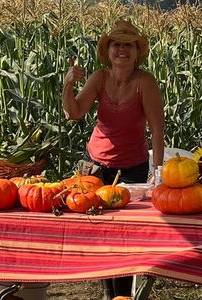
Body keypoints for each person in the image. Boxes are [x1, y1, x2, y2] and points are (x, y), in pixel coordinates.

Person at [61, 19, 165, 299]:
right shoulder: (99, 78)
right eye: (117, 44)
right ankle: (109, 293)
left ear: (136, 52)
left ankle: (123, 295)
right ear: (107, 51)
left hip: (131, 168)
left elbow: (157, 128)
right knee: (99, 234)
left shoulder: (145, 82)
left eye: (128, 45)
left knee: (125, 236)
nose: (122, 50)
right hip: (95, 164)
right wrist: (68, 85)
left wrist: (158, 174)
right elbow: (74, 113)